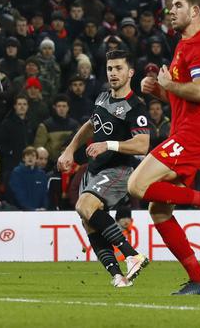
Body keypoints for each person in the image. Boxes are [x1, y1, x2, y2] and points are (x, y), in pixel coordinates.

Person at [128, 0, 200, 295]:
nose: (171, 10)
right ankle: (199, 279)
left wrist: (168, 83)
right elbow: (187, 96)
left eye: (178, 5)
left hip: (194, 134)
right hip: (186, 131)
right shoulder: (184, 44)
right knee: (159, 211)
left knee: (137, 185)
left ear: (195, 11)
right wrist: (159, 90)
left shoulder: (199, 45)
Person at [57, 49, 150, 288]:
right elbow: (91, 125)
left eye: (118, 68)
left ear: (130, 73)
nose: (113, 73)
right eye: (110, 69)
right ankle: (118, 276)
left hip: (118, 169)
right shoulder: (102, 98)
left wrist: (107, 144)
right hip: (95, 169)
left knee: (84, 205)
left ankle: (132, 255)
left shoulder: (135, 106)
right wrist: (69, 150)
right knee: (88, 219)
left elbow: (142, 144)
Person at [9, 146, 48, 211]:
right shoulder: (17, 173)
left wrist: (44, 208)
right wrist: (30, 209)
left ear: (36, 159)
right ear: (24, 158)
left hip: (40, 212)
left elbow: (45, 194)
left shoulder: (41, 174)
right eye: (27, 155)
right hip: (21, 212)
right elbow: (18, 194)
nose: (30, 158)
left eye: (33, 156)